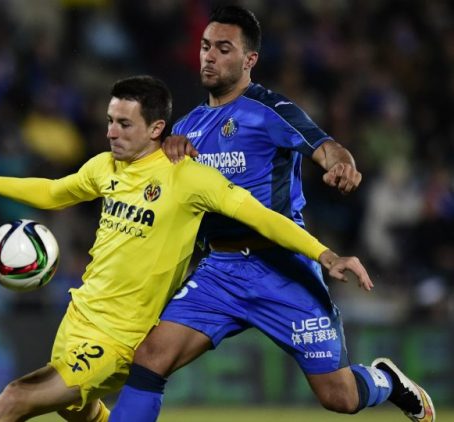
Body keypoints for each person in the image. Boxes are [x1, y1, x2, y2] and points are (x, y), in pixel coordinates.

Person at [0, 75, 373, 422]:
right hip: (78, 317)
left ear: (156, 128)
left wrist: (325, 255)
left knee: (15, 398)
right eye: (110, 121)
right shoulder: (104, 167)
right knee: (75, 409)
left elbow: (263, 218)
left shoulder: (190, 177)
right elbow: (52, 192)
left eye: (124, 124)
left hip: (119, 338)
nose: (112, 132)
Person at [109, 6, 435, 422]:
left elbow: (325, 146)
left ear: (249, 60)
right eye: (206, 47)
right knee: (151, 358)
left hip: (283, 268)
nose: (209, 56)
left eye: (223, 49)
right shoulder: (186, 128)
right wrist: (167, 152)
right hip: (220, 271)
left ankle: (386, 380)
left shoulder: (270, 109)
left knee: (339, 396)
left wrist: (342, 164)